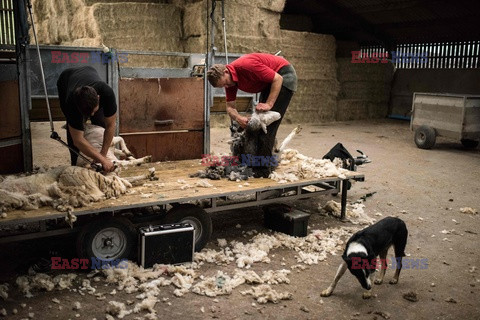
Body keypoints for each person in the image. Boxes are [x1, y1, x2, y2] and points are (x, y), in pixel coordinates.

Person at [207, 52, 297, 177]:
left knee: (267, 128)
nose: (227, 86)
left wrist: (269, 104)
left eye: (226, 83)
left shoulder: (246, 66)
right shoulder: (230, 81)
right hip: (269, 83)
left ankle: (263, 170)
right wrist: (239, 119)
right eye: (223, 86)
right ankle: (253, 163)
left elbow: (278, 79)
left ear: (226, 72)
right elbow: (230, 107)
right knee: (256, 126)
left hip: (284, 76)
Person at [57, 66, 117, 172]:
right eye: (88, 114)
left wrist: (102, 156)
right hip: (66, 79)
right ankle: (75, 164)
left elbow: (111, 125)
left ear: (98, 98)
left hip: (90, 71)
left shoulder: (107, 93)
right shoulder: (71, 103)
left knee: (100, 123)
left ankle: (100, 158)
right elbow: (78, 140)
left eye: (94, 111)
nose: (92, 115)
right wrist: (103, 160)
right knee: (74, 129)